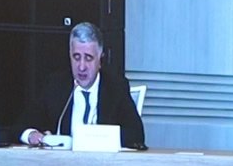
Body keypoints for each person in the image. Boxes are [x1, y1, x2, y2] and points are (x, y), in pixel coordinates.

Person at [19, 21, 147, 151]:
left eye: (88, 58)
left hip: (104, 162)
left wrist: (95, 138)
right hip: (62, 162)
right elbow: (20, 126)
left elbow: (136, 135)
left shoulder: (116, 87)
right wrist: (31, 135)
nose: (81, 67)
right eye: (76, 57)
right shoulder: (55, 85)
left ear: (100, 60)